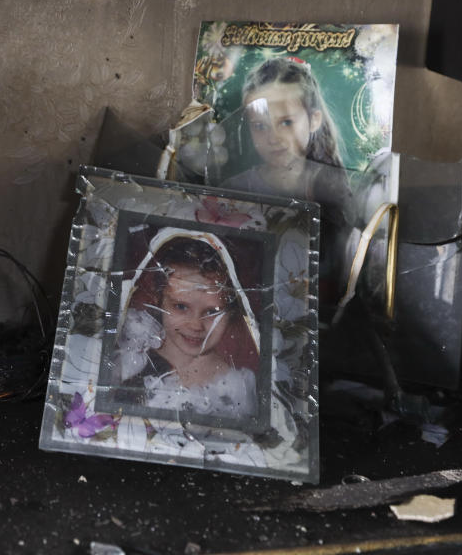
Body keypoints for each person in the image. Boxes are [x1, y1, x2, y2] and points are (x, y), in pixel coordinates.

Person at [221, 57, 354, 302]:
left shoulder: (331, 188)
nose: (273, 138)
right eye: (260, 126)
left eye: (286, 122)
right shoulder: (234, 190)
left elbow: (344, 272)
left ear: (314, 120)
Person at [113, 229, 260, 419]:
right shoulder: (130, 357)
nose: (196, 325)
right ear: (159, 299)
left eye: (212, 312)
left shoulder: (238, 387)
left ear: (232, 312)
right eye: (181, 306)